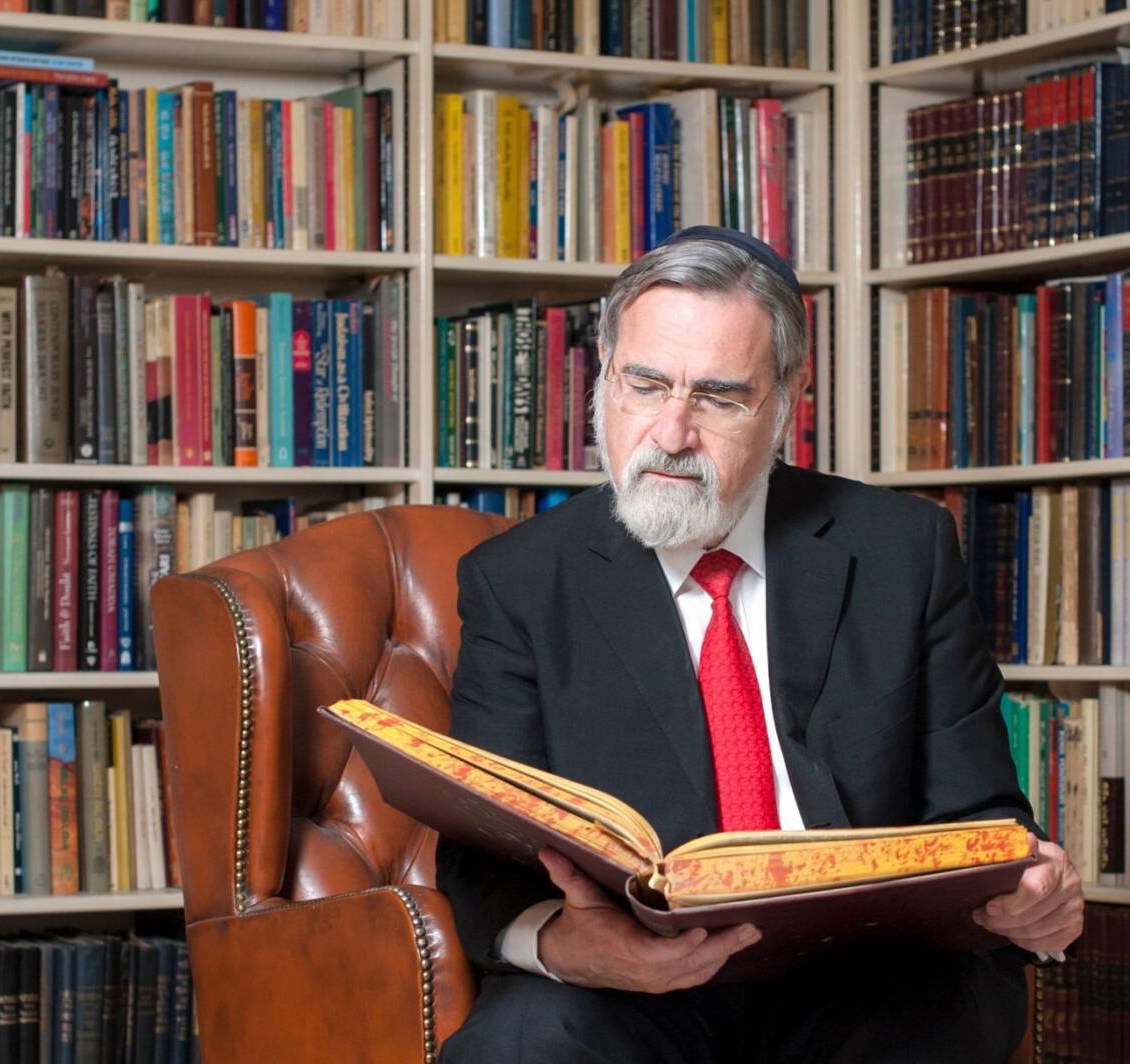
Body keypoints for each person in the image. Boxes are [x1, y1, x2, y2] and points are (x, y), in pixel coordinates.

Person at [436, 226, 1084, 1063]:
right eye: (643, 385)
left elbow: (979, 815)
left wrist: (1028, 889)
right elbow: (483, 855)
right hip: (633, 979)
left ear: (785, 397)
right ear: (603, 378)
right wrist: (570, 946)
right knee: (518, 1050)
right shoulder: (517, 582)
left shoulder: (903, 550)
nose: (670, 432)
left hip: (871, 973)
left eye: (717, 396)